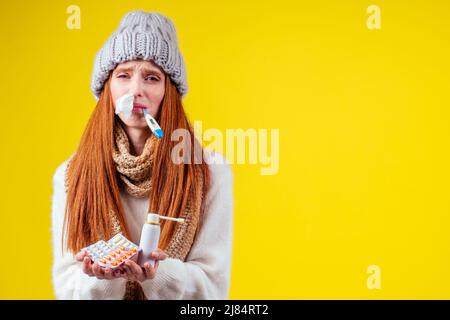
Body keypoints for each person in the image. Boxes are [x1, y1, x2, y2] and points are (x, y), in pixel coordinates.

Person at [51, 11, 233, 300]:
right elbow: (68, 290)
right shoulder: (70, 175)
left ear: (168, 91)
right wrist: (103, 279)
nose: (136, 90)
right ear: (107, 89)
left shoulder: (210, 171)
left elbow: (212, 290)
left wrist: (157, 274)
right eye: (123, 75)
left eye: (151, 77)